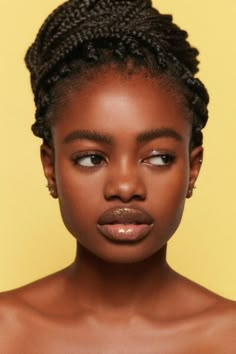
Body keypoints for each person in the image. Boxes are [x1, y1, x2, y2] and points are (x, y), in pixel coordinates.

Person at [0, 0, 235, 352]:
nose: (125, 187)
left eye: (158, 157)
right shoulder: (6, 330)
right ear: (51, 168)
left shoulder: (228, 335)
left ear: (192, 169)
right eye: (92, 158)